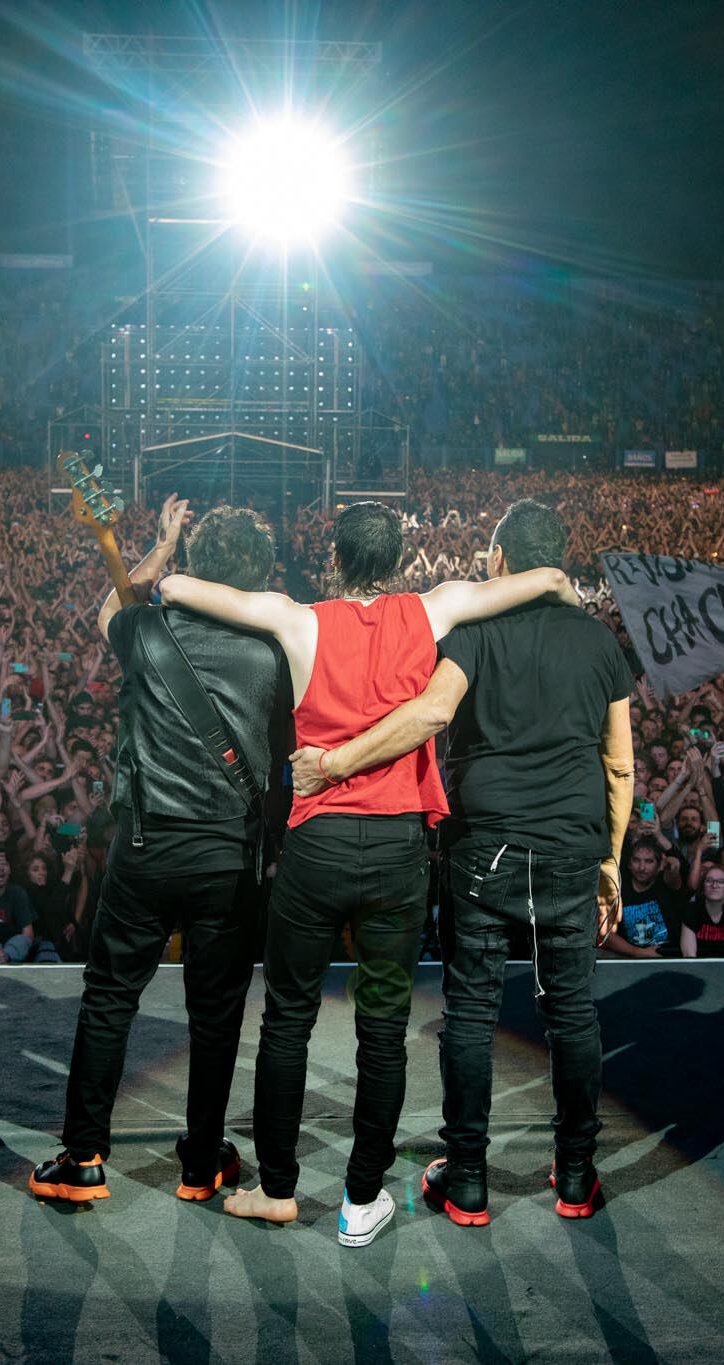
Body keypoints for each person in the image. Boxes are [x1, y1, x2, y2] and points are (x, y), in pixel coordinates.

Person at [158, 498, 576, 1246]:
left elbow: (179, 590)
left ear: (336, 558)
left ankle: (278, 1189)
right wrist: (558, 585)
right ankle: (359, 1201)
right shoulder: (435, 607)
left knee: (287, 1019)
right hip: (397, 854)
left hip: (315, 848)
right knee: (383, 1029)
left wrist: (164, 554)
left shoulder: (296, 618)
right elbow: (539, 578)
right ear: (400, 562)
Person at [289, 498, 632, 1224]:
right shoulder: (600, 643)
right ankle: (575, 1175)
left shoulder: (476, 631)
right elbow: (622, 767)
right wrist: (614, 861)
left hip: (486, 843)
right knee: (572, 1011)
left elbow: (435, 711)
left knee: (472, 1011)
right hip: (573, 843)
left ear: (501, 560)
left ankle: (468, 1179)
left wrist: (334, 763)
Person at [30, 497, 291, 1207]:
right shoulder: (274, 650)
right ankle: (201, 1163)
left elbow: (113, 605)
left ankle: (83, 1158)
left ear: (193, 567)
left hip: (146, 849)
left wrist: (163, 539)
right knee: (216, 1016)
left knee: (110, 998)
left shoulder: (145, 628)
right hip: (228, 856)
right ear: (257, 575)